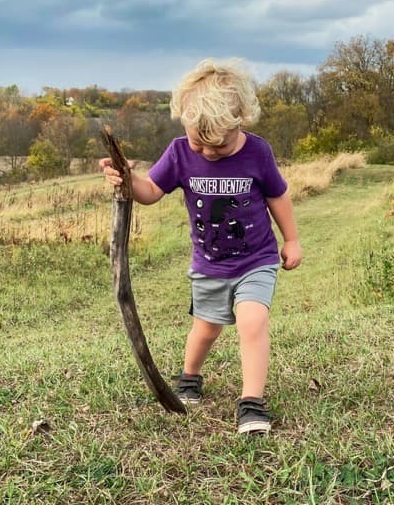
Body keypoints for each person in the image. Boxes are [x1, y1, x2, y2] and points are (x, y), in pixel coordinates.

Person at [99, 59, 302, 434]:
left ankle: (251, 403)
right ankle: (190, 376)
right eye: (198, 142)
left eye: (218, 145)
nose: (207, 152)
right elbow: (150, 193)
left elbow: (279, 196)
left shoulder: (258, 152)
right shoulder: (179, 153)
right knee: (206, 328)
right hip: (209, 265)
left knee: (252, 321)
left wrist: (291, 239)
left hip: (256, 259)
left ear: (240, 119)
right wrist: (126, 177)